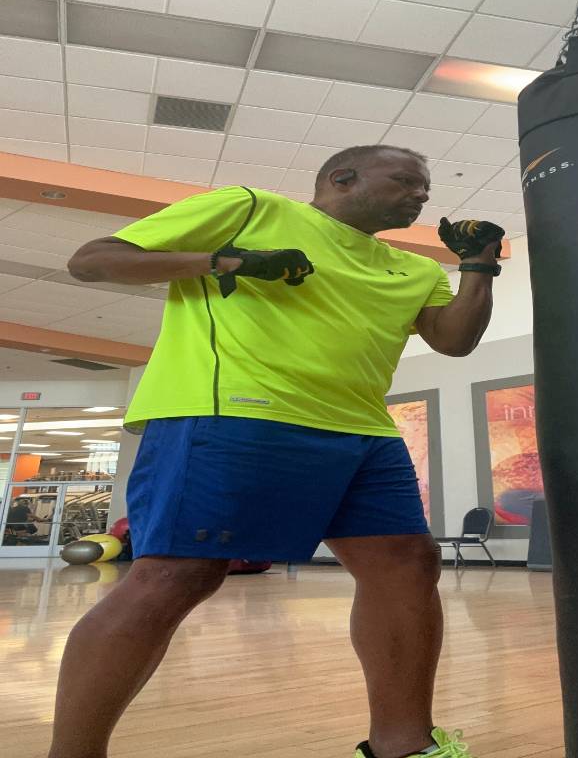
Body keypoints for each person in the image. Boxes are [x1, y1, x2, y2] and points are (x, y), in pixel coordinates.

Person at [53, 144, 505, 758]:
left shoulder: (415, 269)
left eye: (425, 188)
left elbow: (454, 341)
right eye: (406, 181)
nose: (421, 195)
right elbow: (93, 261)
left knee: (407, 563)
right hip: (233, 411)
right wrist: (226, 261)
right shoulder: (251, 208)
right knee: (178, 574)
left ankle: (402, 745)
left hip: (362, 430)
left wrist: (478, 265)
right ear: (342, 178)